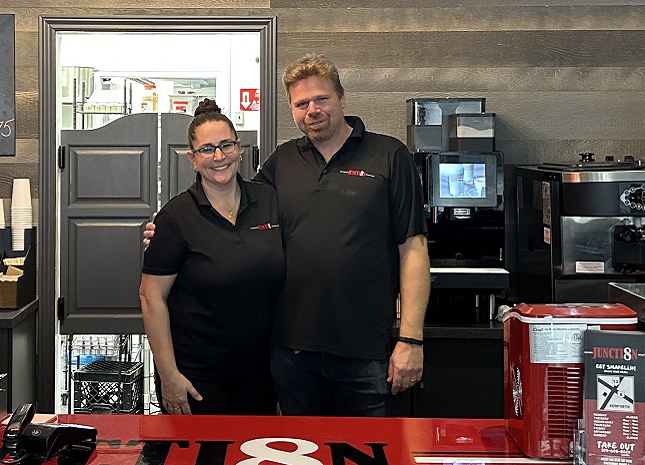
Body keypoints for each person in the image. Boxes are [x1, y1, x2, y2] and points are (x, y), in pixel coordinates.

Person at [257, 54, 430, 416]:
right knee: (301, 454)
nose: (312, 110)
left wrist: (411, 339)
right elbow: (237, 219)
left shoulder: (389, 155)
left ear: (342, 98)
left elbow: (412, 248)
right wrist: (172, 228)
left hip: (367, 353)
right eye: (301, 103)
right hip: (293, 351)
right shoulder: (281, 161)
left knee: (368, 453)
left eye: (321, 99)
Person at [139, 99, 285, 415]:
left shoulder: (271, 202)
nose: (218, 157)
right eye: (206, 149)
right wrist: (168, 376)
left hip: (260, 373)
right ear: (192, 159)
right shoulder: (176, 217)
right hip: (197, 378)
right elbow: (151, 298)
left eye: (225, 145)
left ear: (240, 148)